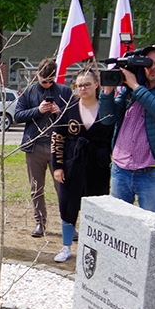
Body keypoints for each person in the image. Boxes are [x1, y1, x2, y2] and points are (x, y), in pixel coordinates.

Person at [99, 44, 155, 213]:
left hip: (150, 172)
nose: (152, 67)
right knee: (119, 223)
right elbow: (108, 119)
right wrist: (108, 91)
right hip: (120, 169)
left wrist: (135, 85)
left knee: (150, 227)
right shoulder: (131, 91)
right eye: (148, 63)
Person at [50, 69, 113, 262]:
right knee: (68, 205)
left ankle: (92, 247)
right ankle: (66, 246)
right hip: (72, 165)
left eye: (87, 84)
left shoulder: (107, 109)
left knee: (95, 208)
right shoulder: (69, 108)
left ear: (96, 85)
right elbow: (57, 137)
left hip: (98, 167)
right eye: (79, 85)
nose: (83, 88)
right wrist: (58, 166)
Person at [14, 58, 72, 238]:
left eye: (50, 80)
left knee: (63, 188)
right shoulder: (29, 92)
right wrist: (38, 111)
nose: (47, 84)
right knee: (36, 187)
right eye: (43, 80)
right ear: (37, 75)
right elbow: (17, 115)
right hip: (35, 146)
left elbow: (75, 116)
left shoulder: (64, 91)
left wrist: (58, 111)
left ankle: (68, 223)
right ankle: (40, 222)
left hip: (59, 147)